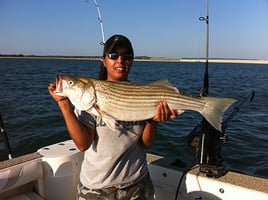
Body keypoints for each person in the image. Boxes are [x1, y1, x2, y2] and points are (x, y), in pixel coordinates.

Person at [48, 34, 177, 200]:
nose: (120, 60)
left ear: (132, 60)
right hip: (96, 189)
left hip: (137, 185)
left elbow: (146, 144)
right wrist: (64, 104)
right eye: (113, 55)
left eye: (127, 56)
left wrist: (153, 121)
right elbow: (83, 144)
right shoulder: (88, 100)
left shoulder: (141, 92)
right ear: (104, 60)